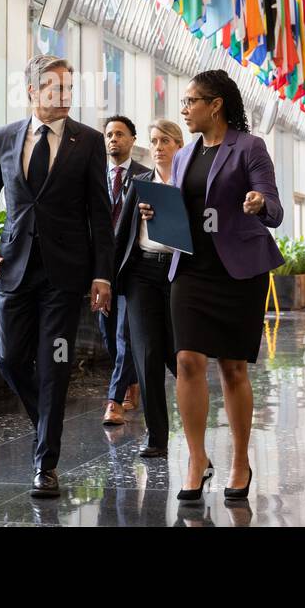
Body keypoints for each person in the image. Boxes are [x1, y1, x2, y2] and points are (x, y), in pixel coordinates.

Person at [0, 54, 114, 499]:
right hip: (13, 267)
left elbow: (100, 214)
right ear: (32, 91)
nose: (64, 95)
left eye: (69, 88)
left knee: (55, 365)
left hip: (65, 273)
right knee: (9, 359)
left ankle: (45, 464)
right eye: (54, 88)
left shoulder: (87, 141)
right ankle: (46, 424)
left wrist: (102, 275)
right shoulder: (5, 136)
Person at [138, 70, 283, 504]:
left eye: (190, 102)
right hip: (192, 269)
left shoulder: (249, 147)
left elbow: (273, 208)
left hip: (238, 271)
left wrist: (258, 204)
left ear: (215, 104)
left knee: (233, 368)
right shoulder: (183, 157)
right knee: (186, 361)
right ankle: (197, 458)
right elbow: (181, 209)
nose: (183, 110)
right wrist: (155, 210)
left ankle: (240, 460)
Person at [113, 118, 183, 458]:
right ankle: (157, 437)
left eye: (166, 141)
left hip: (178, 274)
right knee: (147, 355)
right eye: (154, 141)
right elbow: (121, 234)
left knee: (180, 358)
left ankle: (196, 429)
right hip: (142, 273)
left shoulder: (190, 185)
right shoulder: (139, 183)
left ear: (178, 146)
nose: (158, 147)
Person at [99, 115, 147, 426]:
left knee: (124, 334)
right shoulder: (93, 175)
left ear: (132, 140)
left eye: (119, 134)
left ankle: (114, 401)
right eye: (109, 135)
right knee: (107, 333)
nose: (113, 139)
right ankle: (131, 382)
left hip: (132, 267)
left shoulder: (146, 176)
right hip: (101, 268)